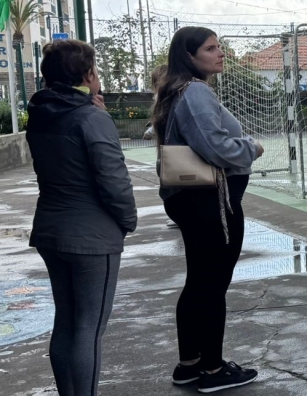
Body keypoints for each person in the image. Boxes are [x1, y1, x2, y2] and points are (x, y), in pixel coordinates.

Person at [153, 26, 263, 392]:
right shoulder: (195, 91)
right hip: (211, 202)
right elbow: (215, 146)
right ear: (189, 55)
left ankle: (190, 365)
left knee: (199, 282)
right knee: (213, 284)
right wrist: (251, 149)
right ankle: (214, 371)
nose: (220, 54)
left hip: (197, 201)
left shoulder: (177, 91)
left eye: (219, 47)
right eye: (211, 48)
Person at [26, 39, 137, 396]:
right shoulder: (92, 117)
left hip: (50, 230)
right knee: (89, 328)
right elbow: (113, 179)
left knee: (67, 322)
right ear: (89, 74)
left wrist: (93, 108)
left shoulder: (41, 114)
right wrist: (127, 220)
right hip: (92, 237)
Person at [143, 65, 180, 230]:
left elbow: (164, 117)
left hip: (172, 149)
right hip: (166, 149)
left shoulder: (171, 96)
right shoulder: (163, 97)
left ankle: (179, 214)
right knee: (167, 177)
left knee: (171, 180)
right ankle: (177, 214)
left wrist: (151, 130)